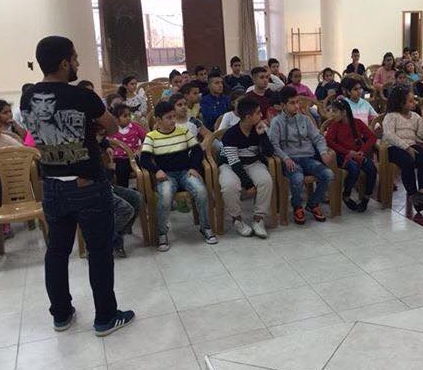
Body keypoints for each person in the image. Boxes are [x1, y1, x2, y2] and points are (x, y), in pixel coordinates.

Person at [21, 35, 134, 336]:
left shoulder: (27, 97)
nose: (78, 63)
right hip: (87, 184)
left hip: (52, 185)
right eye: (75, 58)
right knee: (99, 251)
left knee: (57, 252)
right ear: (63, 63)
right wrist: (89, 126)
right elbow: (112, 126)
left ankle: (61, 315)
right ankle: (105, 318)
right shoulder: (83, 97)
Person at [140, 100, 217, 251]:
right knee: (165, 196)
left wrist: (194, 167)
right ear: (158, 120)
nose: (173, 120)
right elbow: (145, 159)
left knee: (201, 191)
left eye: (173, 117)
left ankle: (206, 228)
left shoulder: (183, 131)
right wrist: (157, 170)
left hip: (185, 172)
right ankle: (162, 233)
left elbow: (197, 151)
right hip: (167, 175)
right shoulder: (151, 136)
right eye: (168, 118)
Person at [269, 86, 336, 225]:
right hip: (290, 160)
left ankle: (312, 204)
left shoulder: (305, 119)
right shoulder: (276, 122)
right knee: (298, 178)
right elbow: (273, 145)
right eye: (292, 103)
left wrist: (323, 152)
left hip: (308, 158)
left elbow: (318, 138)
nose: (297, 106)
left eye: (297, 102)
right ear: (283, 105)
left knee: (328, 174)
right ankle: (297, 206)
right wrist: (285, 158)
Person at [219, 97, 275, 238]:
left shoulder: (258, 129)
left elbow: (269, 152)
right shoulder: (230, 134)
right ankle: (237, 219)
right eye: (258, 113)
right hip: (230, 165)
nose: (261, 115)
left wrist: (263, 135)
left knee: (266, 181)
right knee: (229, 186)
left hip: (253, 163)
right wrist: (248, 184)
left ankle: (258, 219)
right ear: (248, 117)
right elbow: (234, 162)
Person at [382, 86, 423, 213]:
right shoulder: (391, 116)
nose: (414, 103)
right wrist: (406, 147)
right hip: (394, 147)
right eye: (410, 101)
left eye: (413, 99)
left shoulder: (415, 116)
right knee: (407, 161)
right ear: (401, 103)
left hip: (411, 144)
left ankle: (422, 192)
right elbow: (389, 135)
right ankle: (412, 194)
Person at [325, 98, 377, 212]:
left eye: (334, 111)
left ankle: (366, 198)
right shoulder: (335, 125)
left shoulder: (357, 123)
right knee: (354, 169)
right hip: (342, 155)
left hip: (358, 154)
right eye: (331, 111)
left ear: (344, 113)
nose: (332, 114)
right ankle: (346, 194)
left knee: (372, 169)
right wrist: (348, 152)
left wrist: (362, 151)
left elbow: (372, 137)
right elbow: (329, 142)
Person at [109, 103, 147, 186]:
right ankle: (124, 190)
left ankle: (143, 188)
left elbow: (146, 138)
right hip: (119, 158)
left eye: (129, 115)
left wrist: (140, 149)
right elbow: (108, 142)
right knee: (121, 170)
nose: (128, 118)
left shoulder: (135, 126)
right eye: (125, 116)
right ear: (116, 119)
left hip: (134, 156)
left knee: (144, 167)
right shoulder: (112, 129)